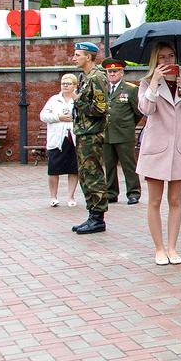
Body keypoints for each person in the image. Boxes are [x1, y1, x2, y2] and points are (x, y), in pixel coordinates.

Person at [136, 43, 181, 264]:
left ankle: (172, 248)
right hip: (156, 148)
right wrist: (155, 82)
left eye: (171, 56)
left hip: (179, 148)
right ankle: (159, 248)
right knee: (154, 201)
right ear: (155, 61)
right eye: (162, 57)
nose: (167, 61)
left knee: (175, 200)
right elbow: (146, 109)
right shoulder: (146, 82)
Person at [70, 42, 109, 234]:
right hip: (84, 132)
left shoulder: (97, 77)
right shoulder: (84, 77)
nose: (74, 58)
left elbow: (101, 108)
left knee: (93, 175)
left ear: (88, 57)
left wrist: (79, 102)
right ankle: (92, 213)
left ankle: (98, 218)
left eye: (77, 55)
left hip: (93, 134)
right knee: (85, 175)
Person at [101, 59, 142, 205]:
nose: (112, 74)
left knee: (128, 165)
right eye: (109, 72)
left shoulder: (130, 89)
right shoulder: (103, 89)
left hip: (124, 134)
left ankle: (133, 192)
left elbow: (138, 112)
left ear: (121, 72)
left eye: (115, 71)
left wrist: (128, 125)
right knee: (109, 165)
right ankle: (111, 193)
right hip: (107, 134)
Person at [40, 74, 79, 206]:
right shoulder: (54, 100)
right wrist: (58, 117)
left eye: (68, 83)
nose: (65, 86)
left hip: (73, 138)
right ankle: (53, 197)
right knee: (53, 169)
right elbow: (43, 116)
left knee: (73, 169)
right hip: (57, 140)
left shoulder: (78, 99)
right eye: (63, 83)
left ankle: (71, 197)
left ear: (75, 86)